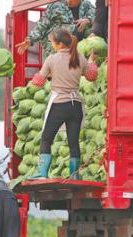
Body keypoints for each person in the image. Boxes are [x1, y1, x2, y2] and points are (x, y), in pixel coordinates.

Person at [28, 29, 98, 179]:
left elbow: (38, 82)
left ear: (59, 44)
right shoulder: (79, 58)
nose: (51, 45)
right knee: (73, 141)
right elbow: (92, 76)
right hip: (76, 106)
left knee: (46, 138)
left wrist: (41, 77)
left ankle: (42, 173)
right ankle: (74, 175)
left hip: (59, 104)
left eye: (52, 42)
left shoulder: (51, 59)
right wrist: (91, 61)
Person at [16, 0, 95, 57]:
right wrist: (30, 40)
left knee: (91, 30)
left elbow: (99, 17)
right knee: (73, 28)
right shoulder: (56, 5)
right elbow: (42, 26)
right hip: (56, 47)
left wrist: (88, 20)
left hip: (78, 47)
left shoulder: (86, 5)